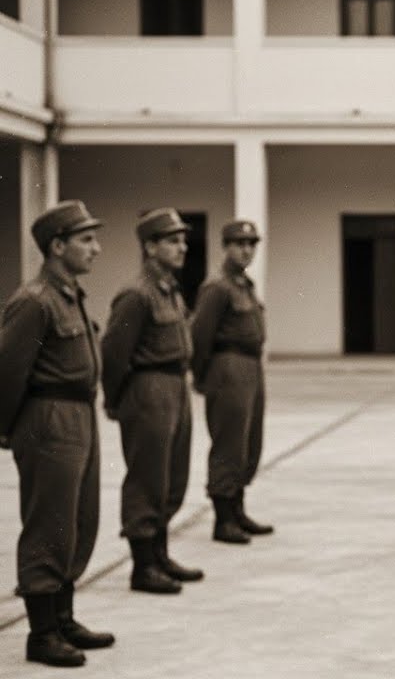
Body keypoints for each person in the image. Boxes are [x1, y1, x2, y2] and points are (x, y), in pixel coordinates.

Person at [0, 202, 115, 668]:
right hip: (49, 418)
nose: (96, 248)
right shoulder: (35, 299)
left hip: (79, 415)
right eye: (86, 239)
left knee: (79, 520)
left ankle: (63, 617)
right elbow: (7, 371)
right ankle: (42, 633)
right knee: (50, 522)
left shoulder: (70, 294)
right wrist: (9, 430)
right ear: (57, 246)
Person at [101, 207, 203, 594]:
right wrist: (115, 400)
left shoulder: (170, 290)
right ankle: (142, 566)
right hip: (149, 389)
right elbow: (114, 353)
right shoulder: (136, 294)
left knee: (172, 475)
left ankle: (159, 554)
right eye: (172, 241)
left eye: (182, 240)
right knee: (148, 476)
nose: (182, 248)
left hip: (175, 386)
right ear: (149, 247)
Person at [190, 219, 273, 545]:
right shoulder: (218, 287)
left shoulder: (245, 285)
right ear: (225, 247)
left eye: (252, 244)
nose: (246, 249)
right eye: (239, 243)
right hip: (228, 365)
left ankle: (237, 509)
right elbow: (200, 335)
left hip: (251, 366)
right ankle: (223, 518)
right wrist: (201, 375)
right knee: (229, 440)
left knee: (249, 440)